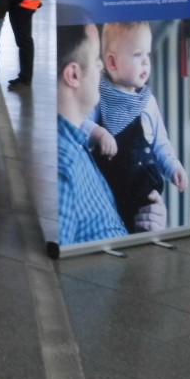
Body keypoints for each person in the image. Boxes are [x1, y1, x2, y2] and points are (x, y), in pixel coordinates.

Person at [56, 23, 165, 246]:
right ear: (74, 74)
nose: (102, 66)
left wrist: (151, 219)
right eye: (97, 57)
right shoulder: (64, 169)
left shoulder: (79, 145)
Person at [84, 21, 188, 232]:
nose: (145, 63)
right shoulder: (98, 96)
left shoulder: (147, 102)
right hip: (111, 192)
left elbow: (161, 142)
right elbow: (80, 125)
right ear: (112, 63)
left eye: (147, 55)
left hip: (143, 193)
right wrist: (98, 133)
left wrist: (173, 167)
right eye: (137, 55)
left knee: (145, 227)